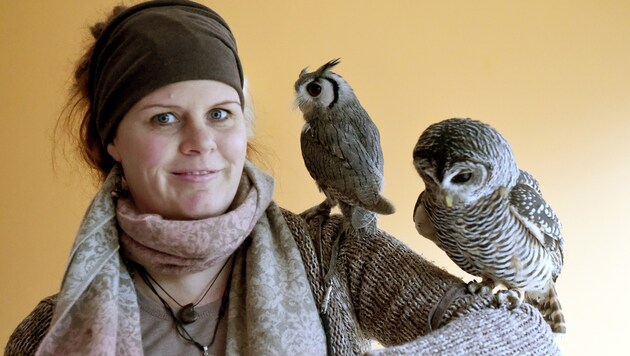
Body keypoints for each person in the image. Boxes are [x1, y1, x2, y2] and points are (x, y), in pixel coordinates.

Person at [5, 1, 560, 355]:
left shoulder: (333, 256)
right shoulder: (48, 336)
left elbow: (525, 336)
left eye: (221, 113)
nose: (202, 141)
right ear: (112, 140)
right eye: (164, 117)